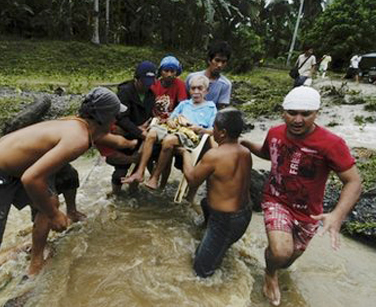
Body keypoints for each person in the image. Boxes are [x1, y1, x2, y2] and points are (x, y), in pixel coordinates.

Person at [0, 87, 126, 307]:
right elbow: (31, 178)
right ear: (105, 117)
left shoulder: (76, 125)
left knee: (50, 198)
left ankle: (36, 263)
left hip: (8, 172)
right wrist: (54, 215)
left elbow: (35, 177)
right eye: (115, 115)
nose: (116, 119)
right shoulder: (78, 138)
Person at [240, 87, 362, 306]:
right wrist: (245, 143)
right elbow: (268, 153)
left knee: (287, 260)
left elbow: (353, 182)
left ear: (316, 113)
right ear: (283, 112)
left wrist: (337, 215)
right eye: (292, 113)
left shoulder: (331, 143)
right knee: (280, 252)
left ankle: (274, 263)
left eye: (305, 114)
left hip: (308, 212)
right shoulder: (276, 132)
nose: (297, 119)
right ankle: (269, 274)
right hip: (276, 199)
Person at [177, 108, 252, 278]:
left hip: (225, 221)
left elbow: (192, 179)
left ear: (223, 132)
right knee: (205, 202)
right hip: (244, 214)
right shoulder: (245, 151)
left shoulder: (214, 156)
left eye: (214, 128)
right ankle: (209, 234)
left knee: (200, 270)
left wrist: (185, 155)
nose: (213, 131)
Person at [121, 56, 187, 188]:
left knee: (165, 149)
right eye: (166, 71)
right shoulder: (131, 91)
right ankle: (144, 176)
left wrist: (169, 120)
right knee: (146, 150)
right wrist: (140, 129)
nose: (169, 74)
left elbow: (180, 107)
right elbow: (124, 117)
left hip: (163, 124)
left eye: (172, 71)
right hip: (142, 127)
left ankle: (158, 182)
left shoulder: (156, 91)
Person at [142, 74, 217, 190]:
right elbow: (172, 117)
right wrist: (171, 121)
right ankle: (141, 171)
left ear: (206, 91)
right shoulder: (184, 104)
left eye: (200, 88)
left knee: (169, 140)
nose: (196, 92)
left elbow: (213, 130)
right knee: (151, 133)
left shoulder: (211, 107)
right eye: (193, 88)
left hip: (191, 136)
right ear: (189, 90)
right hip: (175, 130)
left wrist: (200, 129)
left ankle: (155, 177)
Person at [26, 163, 86, 276]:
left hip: (53, 162)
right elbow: (30, 180)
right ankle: (37, 258)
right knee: (49, 200)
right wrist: (53, 214)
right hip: (35, 163)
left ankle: (72, 212)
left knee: (70, 174)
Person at [111, 61, 157, 194]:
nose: (147, 86)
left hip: (141, 135)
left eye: (150, 83)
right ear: (136, 79)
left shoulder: (151, 95)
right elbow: (121, 118)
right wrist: (138, 131)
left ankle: (133, 193)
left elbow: (149, 115)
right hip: (125, 134)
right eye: (144, 82)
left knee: (139, 167)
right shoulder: (125, 93)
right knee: (120, 171)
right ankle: (116, 194)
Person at [185, 41, 232, 110]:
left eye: (223, 62)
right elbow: (184, 100)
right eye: (217, 60)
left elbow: (221, 110)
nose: (219, 65)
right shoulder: (192, 78)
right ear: (209, 60)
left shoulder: (225, 84)